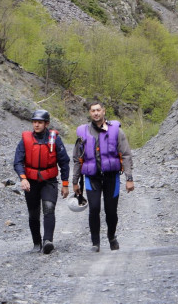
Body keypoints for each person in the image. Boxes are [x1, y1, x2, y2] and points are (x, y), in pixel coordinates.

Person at [72, 100, 134, 252]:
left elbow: (126, 154)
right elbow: (77, 158)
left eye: (98, 110)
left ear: (104, 111)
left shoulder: (116, 131)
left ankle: (111, 236)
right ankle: (95, 243)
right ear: (89, 113)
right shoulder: (83, 132)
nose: (96, 113)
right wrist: (74, 182)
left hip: (111, 177)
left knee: (111, 211)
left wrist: (129, 178)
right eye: (93, 110)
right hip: (92, 178)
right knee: (94, 209)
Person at [13, 109, 70, 254]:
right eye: (34, 122)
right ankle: (36, 243)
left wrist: (65, 184)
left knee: (48, 208)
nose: (36, 125)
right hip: (31, 181)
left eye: (40, 122)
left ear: (47, 124)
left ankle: (48, 241)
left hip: (49, 180)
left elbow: (64, 162)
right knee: (33, 213)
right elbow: (18, 161)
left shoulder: (54, 139)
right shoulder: (25, 139)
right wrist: (23, 178)